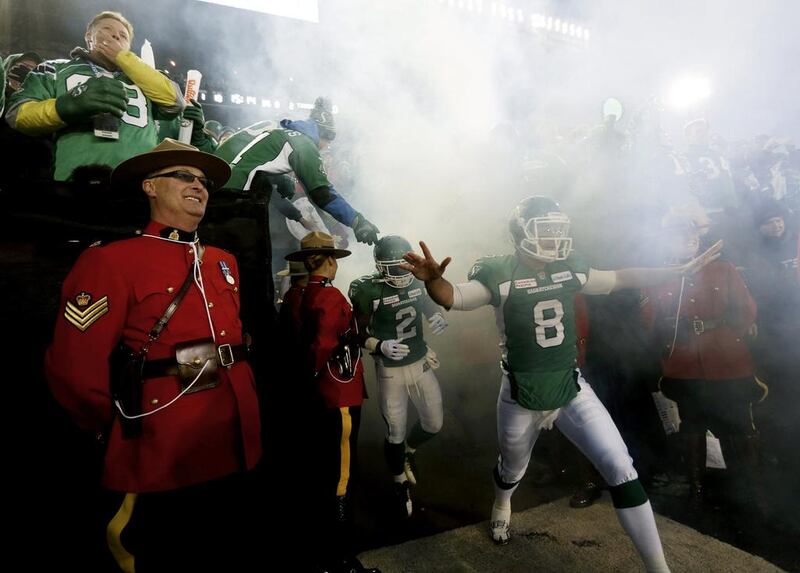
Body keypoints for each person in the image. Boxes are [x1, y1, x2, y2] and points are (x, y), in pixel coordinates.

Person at [401, 196, 722, 573]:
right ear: (522, 234)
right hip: (522, 393)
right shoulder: (499, 271)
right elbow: (454, 297)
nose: (555, 240)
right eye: (546, 232)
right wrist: (435, 280)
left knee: (621, 467)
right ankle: (502, 502)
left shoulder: (570, 267)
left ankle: (658, 569)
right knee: (512, 469)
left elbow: (619, 277)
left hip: (570, 387)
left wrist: (677, 270)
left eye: (558, 231)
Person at [44, 138, 262, 571]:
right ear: (149, 186)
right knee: (162, 550)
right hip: (164, 439)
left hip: (235, 429)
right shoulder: (112, 261)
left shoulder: (223, 260)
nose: (198, 185)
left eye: (203, 181)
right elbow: (73, 368)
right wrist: (116, 428)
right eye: (183, 176)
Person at [642, 211, 766, 512]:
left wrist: (727, 333)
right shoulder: (661, 274)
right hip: (683, 364)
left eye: (692, 235)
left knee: (736, 422)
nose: (688, 240)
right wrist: (667, 331)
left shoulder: (723, 268)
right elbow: (648, 320)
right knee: (692, 425)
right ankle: (696, 487)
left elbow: (747, 309)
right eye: (680, 236)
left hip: (727, 359)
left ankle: (748, 486)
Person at [288, 232, 380, 573]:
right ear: (329, 261)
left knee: (319, 472)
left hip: (318, 398)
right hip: (339, 393)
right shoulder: (329, 296)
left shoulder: (297, 294)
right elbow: (324, 345)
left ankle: (321, 552)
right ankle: (339, 558)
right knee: (341, 476)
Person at [5, 11, 184, 181]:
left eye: (123, 35)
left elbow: (174, 102)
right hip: (75, 182)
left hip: (139, 187)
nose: (116, 36)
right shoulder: (55, 68)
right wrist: (67, 106)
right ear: (89, 36)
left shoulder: (147, 77)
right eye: (107, 29)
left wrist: (124, 58)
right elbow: (17, 114)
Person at [348, 235, 448, 518]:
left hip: (419, 360)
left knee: (434, 423)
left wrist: (436, 315)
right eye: (394, 269)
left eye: (404, 267)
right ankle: (399, 482)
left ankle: (410, 451)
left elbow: (429, 303)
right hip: (390, 370)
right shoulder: (367, 290)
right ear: (380, 267)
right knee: (395, 432)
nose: (402, 275)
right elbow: (355, 332)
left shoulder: (418, 278)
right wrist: (377, 345)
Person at [214, 96, 380, 246]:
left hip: (212, 191)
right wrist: (356, 220)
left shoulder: (274, 129)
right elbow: (322, 193)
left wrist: (278, 179)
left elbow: (246, 162)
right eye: (327, 141)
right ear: (322, 134)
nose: (325, 147)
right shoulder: (304, 143)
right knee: (247, 265)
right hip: (235, 202)